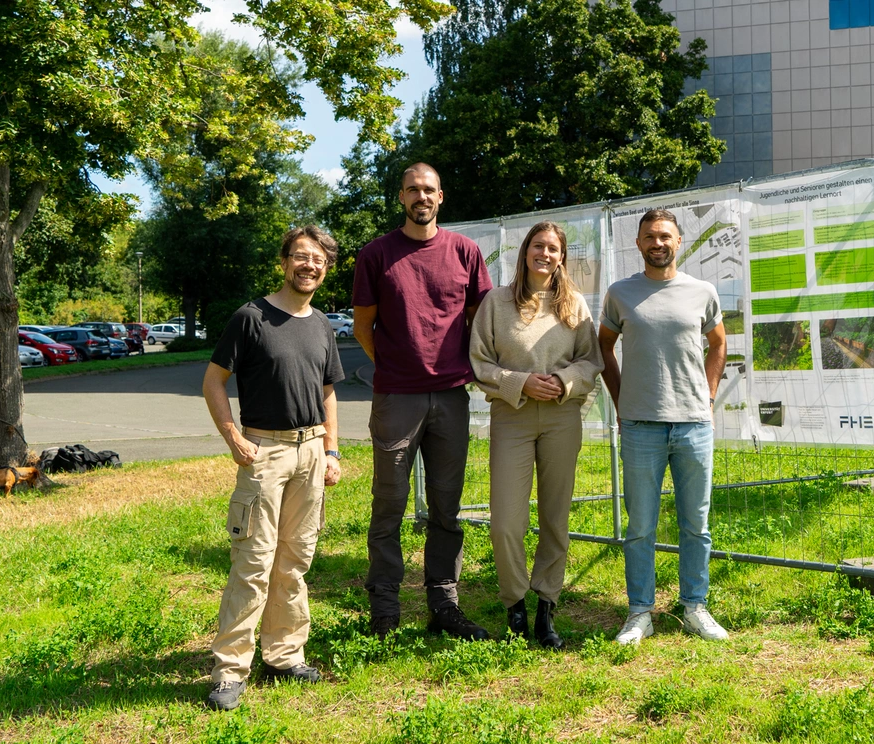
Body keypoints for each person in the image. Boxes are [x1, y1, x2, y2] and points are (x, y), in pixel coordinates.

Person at [202, 225, 345, 711]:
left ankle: (283, 655)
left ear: (325, 269)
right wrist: (233, 436)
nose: (310, 265)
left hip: (311, 453)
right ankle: (229, 671)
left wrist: (331, 450)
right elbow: (213, 381)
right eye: (301, 257)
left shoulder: (322, 323)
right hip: (267, 453)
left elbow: (327, 392)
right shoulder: (251, 317)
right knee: (254, 563)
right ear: (284, 262)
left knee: (295, 562)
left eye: (319, 260)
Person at [352, 163, 493, 640]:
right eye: (412, 189)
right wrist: (397, 366)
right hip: (396, 397)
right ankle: (385, 607)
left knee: (447, 506)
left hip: (451, 396)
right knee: (388, 503)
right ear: (401, 198)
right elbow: (362, 327)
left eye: (428, 189)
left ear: (441, 196)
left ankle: (444, 604)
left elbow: (479, 321)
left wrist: (453, 370)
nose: (421, 196)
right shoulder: (376, 255)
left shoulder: (465, 252)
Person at [469, 221, 604, 649]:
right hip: (514, 416)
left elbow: (590, 361)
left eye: (553, 248)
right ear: (525, 251)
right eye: (537, 245)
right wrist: (520, 382)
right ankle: (515, 603)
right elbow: (479, 363)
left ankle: (546, 604)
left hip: (563, 418)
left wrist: (564, 381)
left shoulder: (574, 305)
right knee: (507, 521)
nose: (545, 253)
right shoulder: (496, 303)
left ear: (562, 256)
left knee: (554, 517)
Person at [598, 208, 729, 645]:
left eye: (666, 236)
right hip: (640, 427)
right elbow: (604, 348)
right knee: (640, 527)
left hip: (693, 424)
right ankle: (640, 613)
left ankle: (695, 607)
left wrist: (708, 398)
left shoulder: (702, 291)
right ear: (638, 243)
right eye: (650, 236)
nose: (658, 243)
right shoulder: (620, 294)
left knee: (696, 524)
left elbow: (719, 344)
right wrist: (621, 401)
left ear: (679, 242)